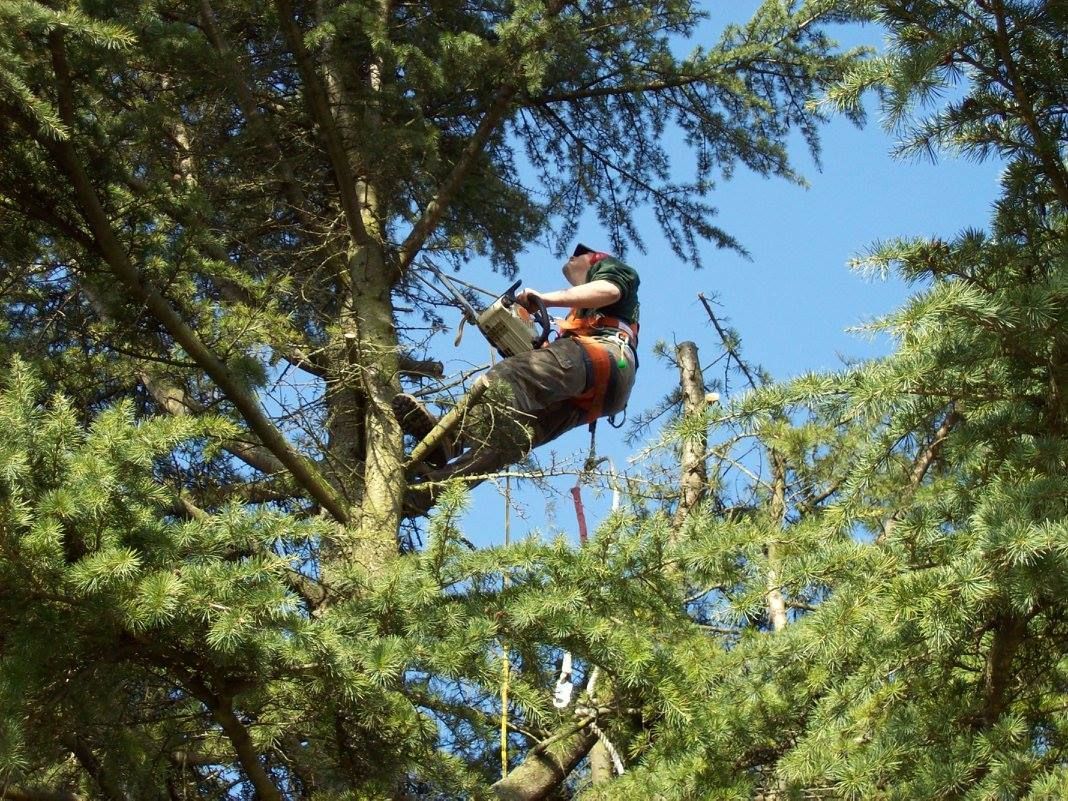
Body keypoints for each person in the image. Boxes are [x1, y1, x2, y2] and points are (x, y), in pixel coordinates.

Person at [396, 243, 640, 493]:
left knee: (511, 374)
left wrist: (543, 299)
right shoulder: (579, 314)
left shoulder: (612, 268)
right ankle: (427, 494)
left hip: (604, 355)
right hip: (604, 391)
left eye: (580, 254)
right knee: (511, 438)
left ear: (595, 258)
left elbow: (609, 290)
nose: (573, 256)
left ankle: (450, 438)